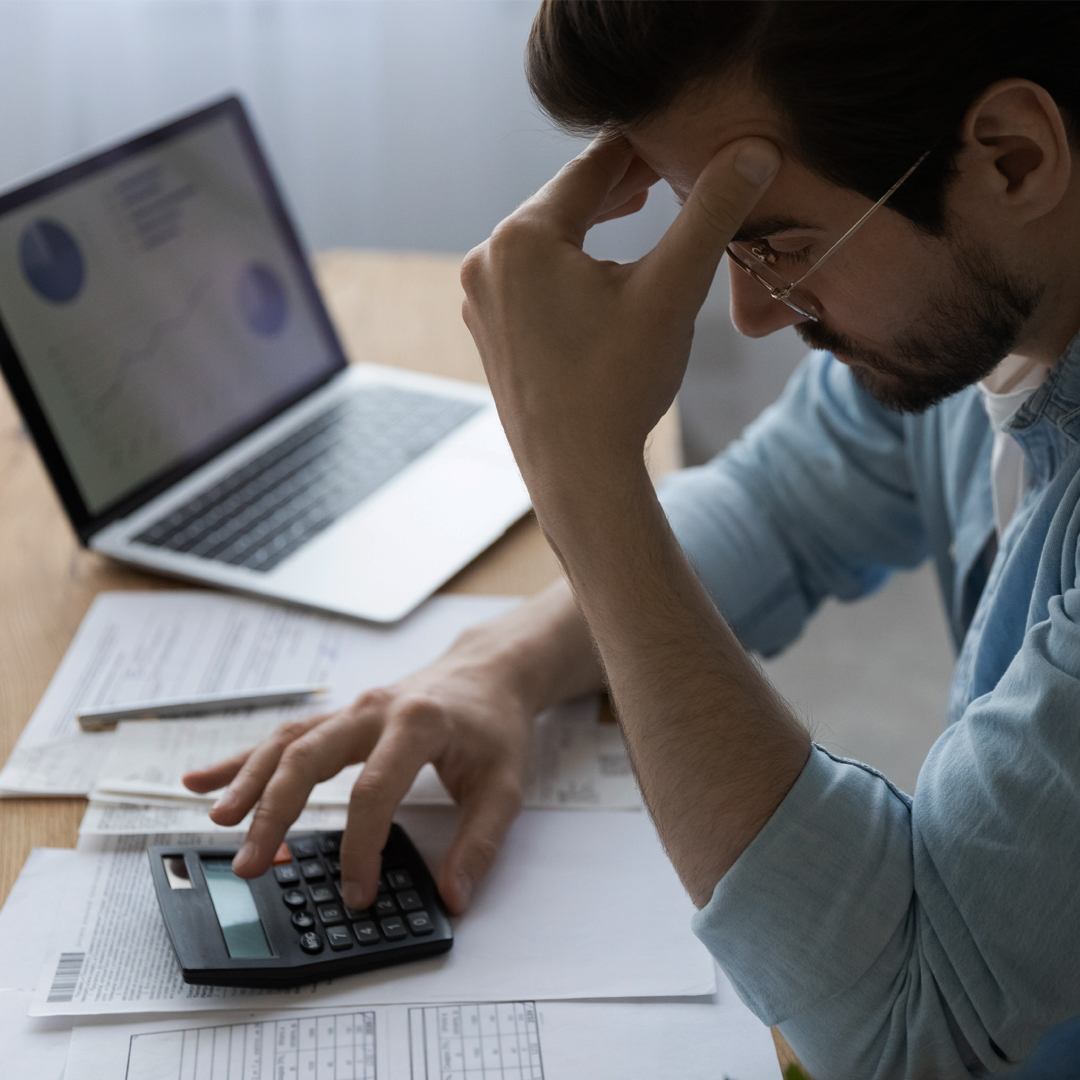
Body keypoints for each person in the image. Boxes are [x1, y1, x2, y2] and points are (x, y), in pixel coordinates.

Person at [184, 3, 1080, 1076]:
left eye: (779, 244)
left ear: (1013, 159)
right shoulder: (991, 321)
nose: (751, 312)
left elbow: (911, 1023)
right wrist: (502, 668)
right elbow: (778, 509)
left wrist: (589, 482)